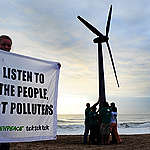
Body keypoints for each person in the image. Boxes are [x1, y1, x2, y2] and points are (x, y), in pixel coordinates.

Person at [0, 35, 12, 150]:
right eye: (3, 44)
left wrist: (53, 68)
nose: (6, 47)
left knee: (4, 144)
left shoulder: (12, 62)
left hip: (5, 111)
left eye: (9, 45)